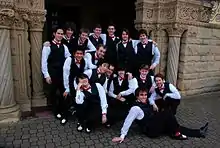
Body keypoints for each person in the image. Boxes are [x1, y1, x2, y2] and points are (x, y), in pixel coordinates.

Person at [112, 87, 209, 143]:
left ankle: (199, 133)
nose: (144, 97)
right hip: (151, 130)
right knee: (167, 113)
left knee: (174, 125)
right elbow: (128, 120)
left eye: (145, 95)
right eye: (141, 95)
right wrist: (122, 136)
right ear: (137, 96)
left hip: (154, 124)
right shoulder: (135, 108)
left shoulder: (145, 103)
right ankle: (176, 134)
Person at [41, 27, 71, 124]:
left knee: (63, 93)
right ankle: (55, 111)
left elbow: (69, 57)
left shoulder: (64, 46)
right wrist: (46, 75)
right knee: (53, 93)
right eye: (58, 33)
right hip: (52, 73)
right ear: (54, 34)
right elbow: (44, 61)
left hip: (62, 74)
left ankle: (63, 110)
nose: (60, 35)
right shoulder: (47, 46)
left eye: (62, 34)